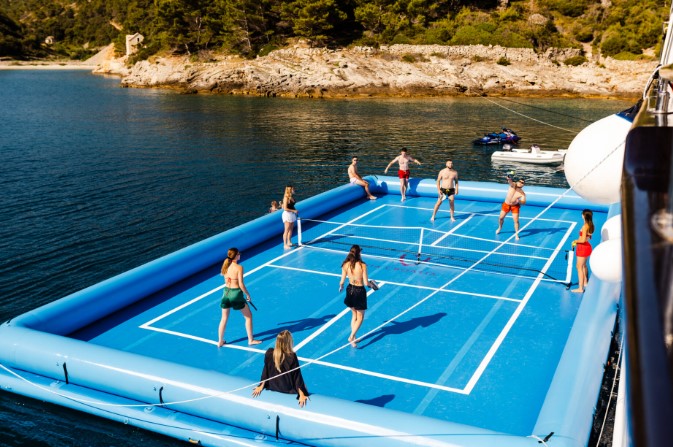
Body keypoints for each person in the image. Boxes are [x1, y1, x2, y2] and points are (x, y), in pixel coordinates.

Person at [252, 330, 309, 407]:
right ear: (289, 342)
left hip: (273, 385)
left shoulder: (269, 352)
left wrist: (261, 385)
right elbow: (297, 376)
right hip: (286, 388)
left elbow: (265, 370)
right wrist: (302, 394)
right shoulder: (291, 356)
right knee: (304, 386)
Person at [217, 248, 261, 347]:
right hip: (236, 294)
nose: (240, 255)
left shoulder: (225, 266)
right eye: (239, 253)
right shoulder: (239, 267)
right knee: (248, 317)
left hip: (226, 293)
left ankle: (220, 341)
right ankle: (250, 340)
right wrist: (248, 294)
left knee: (224, 318)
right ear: (236, 255)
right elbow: (241, 284)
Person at [339, 245, 371, 348]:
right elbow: (366, 283)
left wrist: (341, 286)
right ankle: (351, 336)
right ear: (358, 253)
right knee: (360, 317)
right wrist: (373, 285)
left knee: (354, 315)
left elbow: (342, 280)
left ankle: (354, 337)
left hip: (350, 290)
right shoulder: (362, 265)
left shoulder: (345, 264)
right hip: (359, 291)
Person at [496, 176, 526, 240]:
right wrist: (509, 179)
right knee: (501, 218)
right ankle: (500, 227)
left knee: (516, 221)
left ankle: (516, 234)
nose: (521, 183)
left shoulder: (522, 193)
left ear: (523, 185)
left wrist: (519, 201)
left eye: (522, 183)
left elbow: (523, 202)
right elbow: (510, 182)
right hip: (506, 204)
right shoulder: (513, 185)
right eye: (520, 181)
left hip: (515, 206)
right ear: (517, 182)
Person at [571, 209, 594, 293]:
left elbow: (583, 240)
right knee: (584, 265)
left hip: (582, 248)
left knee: (579, 267)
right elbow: (587, 238)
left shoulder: (585, 227)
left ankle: (580, 288)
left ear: (584, 216)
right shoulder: (591, 225)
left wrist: (575, 241)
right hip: (587, 247)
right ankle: (585, 282)